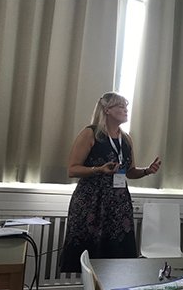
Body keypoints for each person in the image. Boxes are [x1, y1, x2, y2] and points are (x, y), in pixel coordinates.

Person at [60, 91, 161, 273]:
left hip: (118, 206)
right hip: (91, 204)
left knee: (116, 259)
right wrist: (98, 169)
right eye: (120, 106)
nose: (125, 110)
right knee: (90, 260)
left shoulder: (126, 139)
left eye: (126, 106)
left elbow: (129, 172)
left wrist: (147, 171)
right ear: (107, 110)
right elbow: (72, 169)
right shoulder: (90, 134)